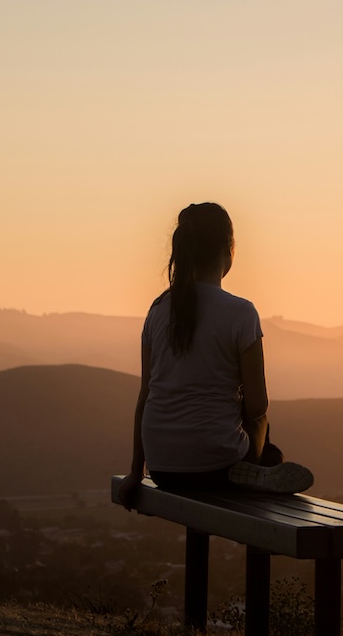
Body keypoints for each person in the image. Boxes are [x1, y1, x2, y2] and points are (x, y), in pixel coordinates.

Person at [118, 203, 313, 509]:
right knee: (262, 422)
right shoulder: (240, 313)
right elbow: (257, 405)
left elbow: (145, 397)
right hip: (219, 467)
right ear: (228, 249)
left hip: (162, 469)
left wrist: (135, 471)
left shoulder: (157, 311)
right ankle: (264, 465)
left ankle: (262, 465)